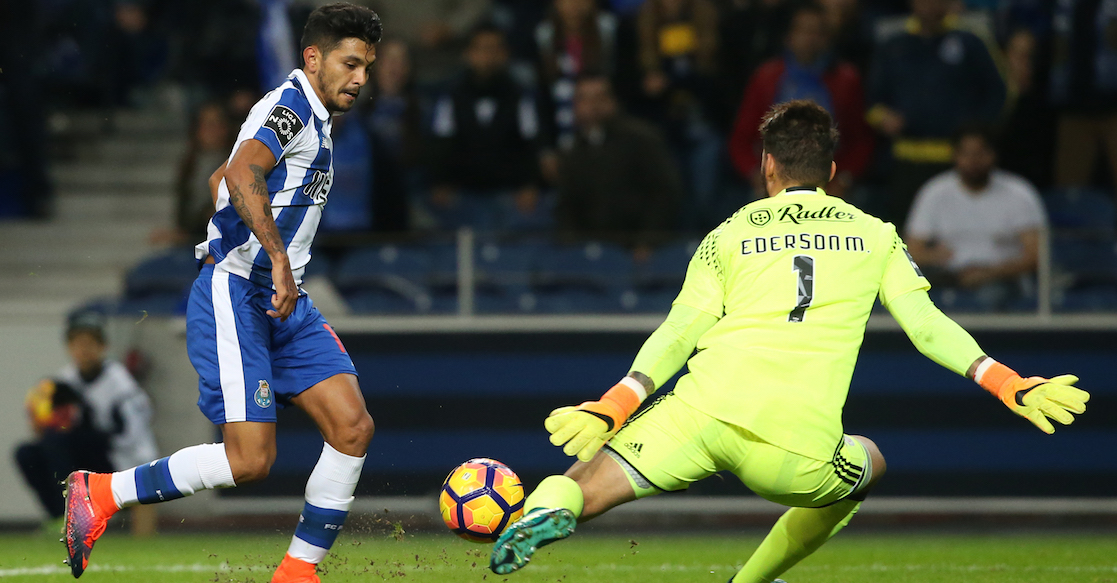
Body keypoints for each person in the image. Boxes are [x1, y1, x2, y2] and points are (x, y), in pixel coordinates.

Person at [488, 100, 1089, 582]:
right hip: (793, 448)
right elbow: (927, 326)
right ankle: (751, 580)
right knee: (870, 459)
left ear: (768, 166)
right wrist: (1010, 383)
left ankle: (546, 511)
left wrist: (612, 404)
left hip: (701, 413)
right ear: (832, 172)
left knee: (585, 477)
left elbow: (679, 331)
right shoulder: (876, 234)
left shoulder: (729, 232)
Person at [62, 5, 382, 582]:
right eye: (350, 63)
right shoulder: (291, 108)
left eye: (367, 67)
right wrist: (274, 257)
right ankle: (103, 492)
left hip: (284, 299)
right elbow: (238, 176)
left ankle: (297, 572)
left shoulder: (314, 116)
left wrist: (249, 231)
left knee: (352, 427)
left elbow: (223, 177)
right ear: (313, 58)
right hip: (239, 292)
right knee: (250, 461)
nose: (360, 78)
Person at [866, 0, 1005, 229]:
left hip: (956, 160)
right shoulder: (893, 44)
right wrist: (883, 117)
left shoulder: (970, 41)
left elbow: (998, 93)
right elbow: (872, 99)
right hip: (906, 158)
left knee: (954, 229)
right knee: (903, 230)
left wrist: (978, 135)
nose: (929, 5)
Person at [16, 311, 157, 532]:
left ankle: (74, 518)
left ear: (103, 347)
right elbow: (56, 426)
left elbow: (133, 435)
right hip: (83, 455)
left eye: (89, 344)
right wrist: (42, 424)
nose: (83, 350)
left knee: (59, 441)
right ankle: (59, 516)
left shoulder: (120, 383)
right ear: (69, 347)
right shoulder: (64, 380)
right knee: (27, 453)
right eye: (77, 344)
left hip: (119, 459)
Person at [729, 4, 873, 199]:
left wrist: (843, 179)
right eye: (803, 31)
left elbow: (860, 141)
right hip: (772, 180)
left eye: (817, 32)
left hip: (829, 183)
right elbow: (741, 139)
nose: (810, 39)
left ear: (827, 38)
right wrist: (758, 176)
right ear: (788, 36)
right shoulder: (766, 77)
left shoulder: (846, 80)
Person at [905, 124, 1047, 310]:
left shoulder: (1018, 193)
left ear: (993, 155)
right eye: (966, 154)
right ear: (955, 156)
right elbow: (911, 251)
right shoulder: (935, 192)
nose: (973, 161)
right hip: (948, 275)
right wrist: (933, 256)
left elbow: (1036, 255)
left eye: (980, 153)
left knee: (988, 298)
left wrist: (990, 273)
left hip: (1003, 278)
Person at [425, 25, 546, 232]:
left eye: (494, 49)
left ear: (505, 54)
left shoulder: (520, 96)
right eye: (481, 49)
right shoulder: (453, 97)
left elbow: (531, 142)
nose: (487, 57)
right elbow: (442, 143)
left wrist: (529, 184)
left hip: (509, 193)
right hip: (463, 193)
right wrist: (441, 182)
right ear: (468, 54)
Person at [554, 74, 682, 253]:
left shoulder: (641, 139)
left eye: (599, 97)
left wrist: (648, 241)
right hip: (589, 251)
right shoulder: (572, 150)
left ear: (613, 100)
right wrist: (571, 246)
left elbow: (665, 192)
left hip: (638, 251)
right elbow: (566, 205)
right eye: (585, 99)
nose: (593, 105)